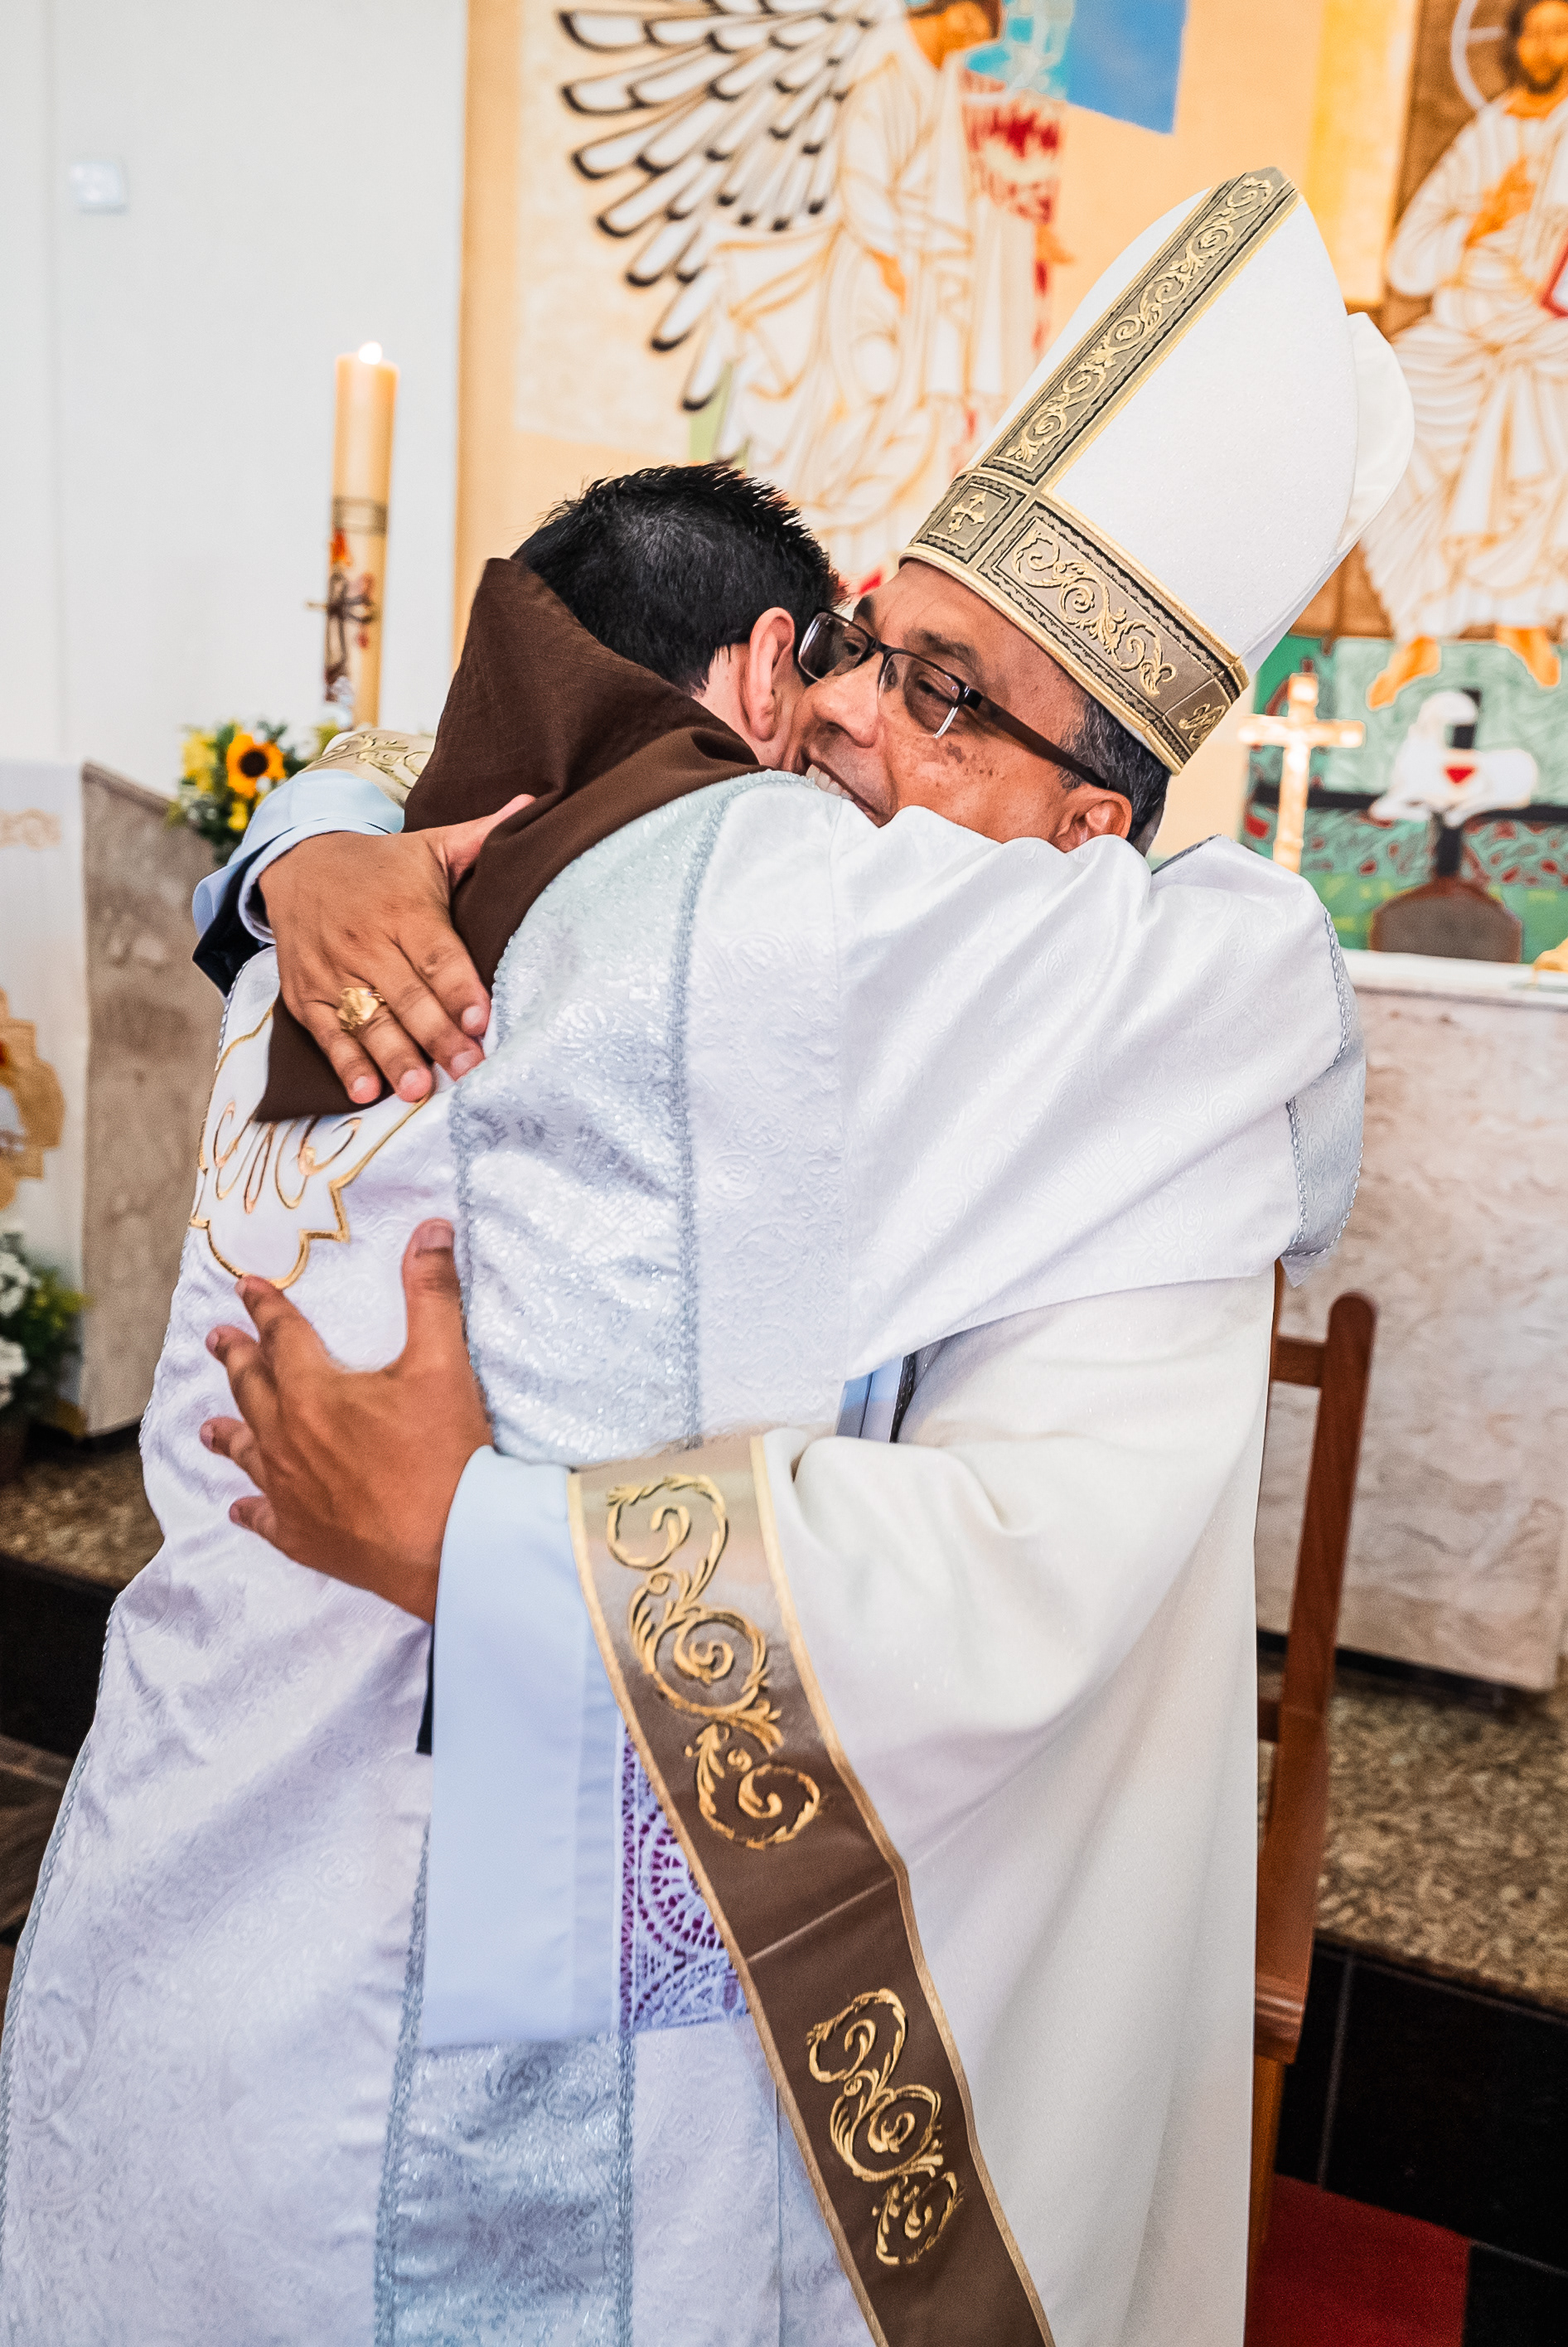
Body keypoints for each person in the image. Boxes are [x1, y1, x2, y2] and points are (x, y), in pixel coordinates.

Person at [0, 173, 1412, 2346]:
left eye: (941, 692)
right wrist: (318, 839)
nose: (844, 717)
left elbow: (1008, 1583)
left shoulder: (1135, 1137)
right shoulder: (644, 899)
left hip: (669, 2027)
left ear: (1088, 833)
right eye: (862, 644)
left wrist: (485, 1548)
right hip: (280, 1939)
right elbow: (437, 779)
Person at [1362, 0, 1568, 705]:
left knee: (1549, 426)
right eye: (1535, 32)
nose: (1546, 46)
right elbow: (1406, 263)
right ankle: (1417, 630)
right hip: (1464, 329)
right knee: (1393, 417)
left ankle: (1523, 615)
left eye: (1561, 32)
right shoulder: (1486, 134)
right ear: (1514, 43)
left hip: (1548, 336)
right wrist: (1485, 218)